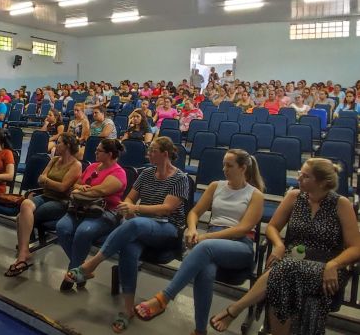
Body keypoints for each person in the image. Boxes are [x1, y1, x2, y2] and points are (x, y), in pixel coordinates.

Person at [210, 158, 360, 335]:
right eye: (299, 173)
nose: (298, 178)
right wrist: (279, 245)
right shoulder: (294, 196)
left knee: (282, 270)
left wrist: (333, 265)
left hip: (326, 267)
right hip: (292, 259)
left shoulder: (340, 204)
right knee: (283, 274)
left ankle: (235, 309)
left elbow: (355, 247)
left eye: (305, 176)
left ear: (322, 182)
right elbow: (273, 227)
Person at [64, 138, 189, 332]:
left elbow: (166, 209)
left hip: (168, 228)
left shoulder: (180, 178)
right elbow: (130, 198)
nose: (148, 154)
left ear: (165, 154)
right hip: (141, 226)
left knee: (136, 222)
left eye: (153, 150)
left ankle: (90, 264)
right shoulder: (147, 173)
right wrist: (127, 208)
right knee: (128, 250)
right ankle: (128, 309)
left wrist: (135, 209)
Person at [134, 149, 264, 335]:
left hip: (239, 245)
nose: (224, 168)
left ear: (243, 168)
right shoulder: (215, 186)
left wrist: (205, 237)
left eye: (229, 165)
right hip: (211, 242)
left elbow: (242, 229)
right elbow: (194, 213)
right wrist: (193, 229)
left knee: (205, 248)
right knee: (205, 271)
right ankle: (200, 330)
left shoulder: (255, 194)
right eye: (223, 164)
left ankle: (164, 298)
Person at [5, 133, 82, 277]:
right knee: (26, 204)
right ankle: (24, 252)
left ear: (67, 146)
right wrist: (49, 182)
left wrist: (47, 181)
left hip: (61, 202)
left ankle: (23, 254)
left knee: (20, 217)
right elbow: (40, 179)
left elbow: (62, 188)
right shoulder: (54, 160)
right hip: (45, 196)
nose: (55, 145)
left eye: (58, 143)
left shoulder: (76, 165)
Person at [57, 139, 127, 291]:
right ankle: (84, 269)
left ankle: (73, 273)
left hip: (106, 212)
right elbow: (76, 184)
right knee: (61, 227)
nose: (95, 152)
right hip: (80, 208)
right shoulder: (93, 166)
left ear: (109, 154)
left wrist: (78, 191)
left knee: (83, 231)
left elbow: (101, 191)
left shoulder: (119, 173)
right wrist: (79, 187)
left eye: (99, 150)